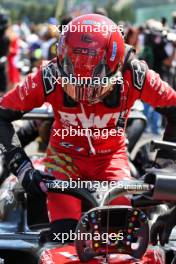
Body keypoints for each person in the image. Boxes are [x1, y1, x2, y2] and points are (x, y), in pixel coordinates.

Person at [1, 14, 176, 239]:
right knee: (64, 237)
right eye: (73, 84)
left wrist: (165, 167)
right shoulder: (48, 75)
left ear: (118, 67)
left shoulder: (136, 73)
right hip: (64, 161)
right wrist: (23, 168)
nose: (84, 95)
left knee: (118, 239)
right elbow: (2, 115)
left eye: (94, 86)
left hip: (111, 161)